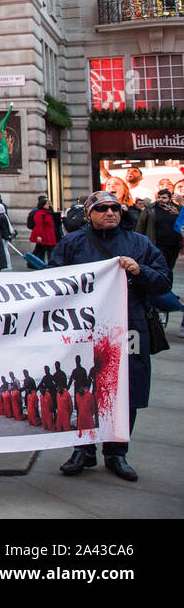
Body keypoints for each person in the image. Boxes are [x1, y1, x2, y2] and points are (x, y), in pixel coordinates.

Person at [52, 190, 171, 481]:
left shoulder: (140, 244)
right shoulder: (72, 243)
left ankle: (117, 452)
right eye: (102, 208)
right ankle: (83, 449)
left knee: (126, 389)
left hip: (130, 325)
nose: (110, 213)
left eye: (115, 208)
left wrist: (139, 270)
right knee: (85, 388)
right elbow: (51, 281)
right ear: (88, 214)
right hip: (86, 328)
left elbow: (163, 281)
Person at [135, 186, 182, 270]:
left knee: (170, 268)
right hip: (157, 245)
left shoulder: (176, 209)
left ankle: (168, 283)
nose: (160, 199)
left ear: (170, 199)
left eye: (164, 198)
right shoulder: (151, 209)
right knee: (160, 268)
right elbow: (140, 226)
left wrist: (178, 214)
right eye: (159, 197)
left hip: (173, 246)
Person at [27, 195, 60, 264]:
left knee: (42, 250)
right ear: (42, 205)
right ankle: (49, 263)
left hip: (50, 234)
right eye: (46, 204)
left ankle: (33, 262)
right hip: (45, 235)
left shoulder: (48, 212)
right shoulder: (39, 213)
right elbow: (39, 225)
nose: (48, 205)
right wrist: (39, 236)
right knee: (45, 250)